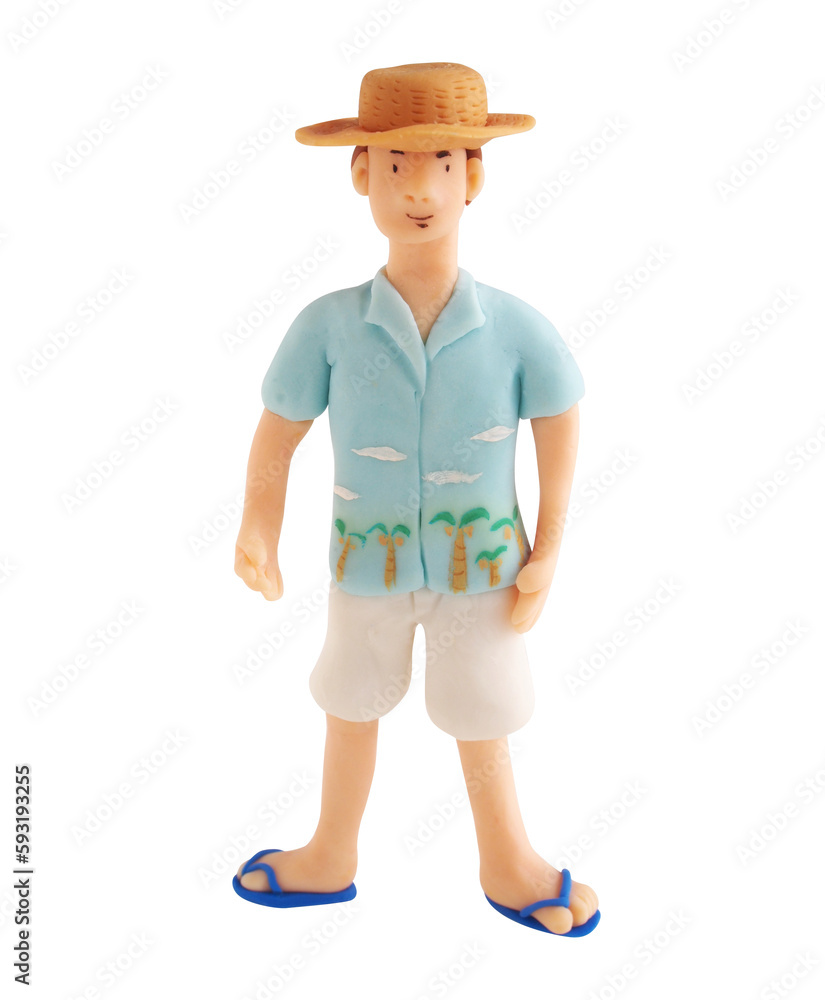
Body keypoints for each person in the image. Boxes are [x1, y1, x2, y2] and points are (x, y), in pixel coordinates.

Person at [232, 62, 599, 936]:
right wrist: (257, 524)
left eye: (441, 163)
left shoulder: (516, 328)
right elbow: (279, 430)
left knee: (482, 717)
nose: (420, 190)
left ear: (474, 177)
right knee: (349, 702)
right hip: (367, 563)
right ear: (361, 174)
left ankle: (507, 860)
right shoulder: (327, 325)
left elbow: (559, 423)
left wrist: (549, 546)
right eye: (395, 165)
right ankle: (331, 851)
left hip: (485, 568)